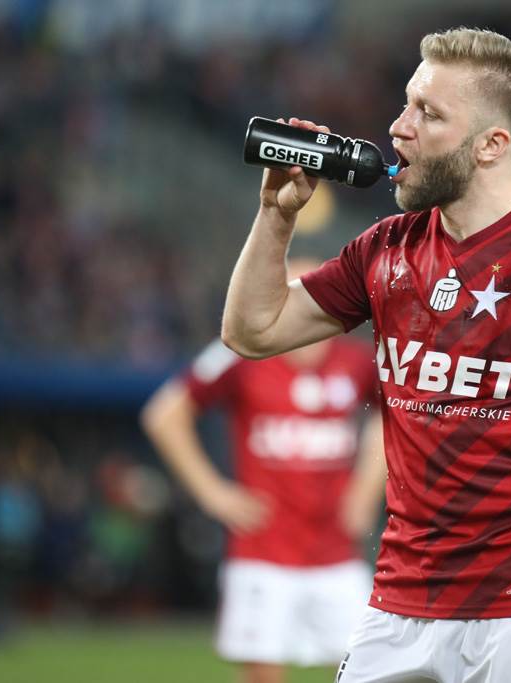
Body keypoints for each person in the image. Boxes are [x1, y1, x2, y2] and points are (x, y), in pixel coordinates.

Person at [222, 28, 511, 683]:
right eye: (406, 104)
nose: (399, 127)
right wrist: (276, 214)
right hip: (397, 604)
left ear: (491, 144)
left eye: (428, 113)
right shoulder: (385, 248)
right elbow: (252, 330)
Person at [141, 258, 386, 683]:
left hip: (335, 549)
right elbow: (164, 415)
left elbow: (395, 414)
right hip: (263, 550)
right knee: (262, 675)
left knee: (371, 669)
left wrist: (367, 486)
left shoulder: (358, 361)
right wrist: (212, 493)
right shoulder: (239, 353)